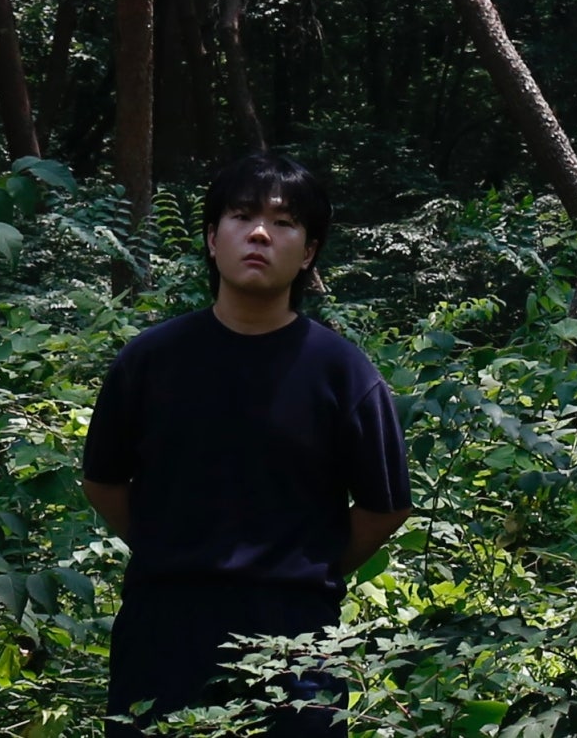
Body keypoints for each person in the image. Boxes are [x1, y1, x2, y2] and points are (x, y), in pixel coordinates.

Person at [82, 152, 412, 737]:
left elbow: (385, 507)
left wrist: (304, 570)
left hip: (297, 636)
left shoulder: (342, 372)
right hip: (164, 626)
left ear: (308, 253)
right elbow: (103, 481)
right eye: (242, 216)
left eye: (284, 223)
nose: (260, 234)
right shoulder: (150, 360)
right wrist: (171, 551)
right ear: (213, 239)